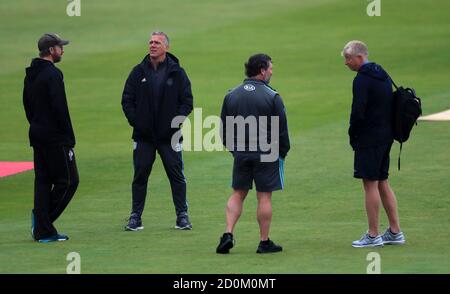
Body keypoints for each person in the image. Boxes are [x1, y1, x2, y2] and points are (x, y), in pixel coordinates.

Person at [216, 54, 290, 254]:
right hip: (266, 153)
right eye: (270, 69)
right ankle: (264, 242)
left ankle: (228, 233)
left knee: (238, 193)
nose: (272, 72)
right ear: (262, 70)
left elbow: (223, 129)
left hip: (241, 152)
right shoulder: (272, 96)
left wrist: (235, 150)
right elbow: (282, 130)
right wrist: (282, 151)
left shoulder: (232, 95)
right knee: (264, 197)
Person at [121, 32, 193, 231]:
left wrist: (174, 124)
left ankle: (182, 216)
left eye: (157, 42)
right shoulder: (138, 72)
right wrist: (137, 121)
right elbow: (127, 99)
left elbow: (187, 102)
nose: (152, 45)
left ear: (166, 47)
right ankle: (135, 217)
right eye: (151, 42)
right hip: (144, 137)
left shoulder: (178, 73)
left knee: (176, 175)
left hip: (170, 136)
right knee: (140, 175)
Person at [342, 40, 406, 247]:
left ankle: (372, 235)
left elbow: (358, 111)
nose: (346, 63)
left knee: (370, 184)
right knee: (382, 182)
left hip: (369, 138)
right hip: (386, 136)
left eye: (348, 58)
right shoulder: (382, 73)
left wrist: (353, 134)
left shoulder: (362, 79)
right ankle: (395, 232)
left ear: (359, 57)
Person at [23, 33, 79, 243]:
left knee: (44, 181)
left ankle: (43, 228)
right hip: (55, 138)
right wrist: (68, 139)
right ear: (51, 50)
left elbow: (27, 106)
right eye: (60, 47)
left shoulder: (31, 73)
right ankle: (42, 224)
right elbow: (60, 109)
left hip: (37, 134)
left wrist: (37, 124)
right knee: (69, 181)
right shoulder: (53, 74)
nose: (62, 50)